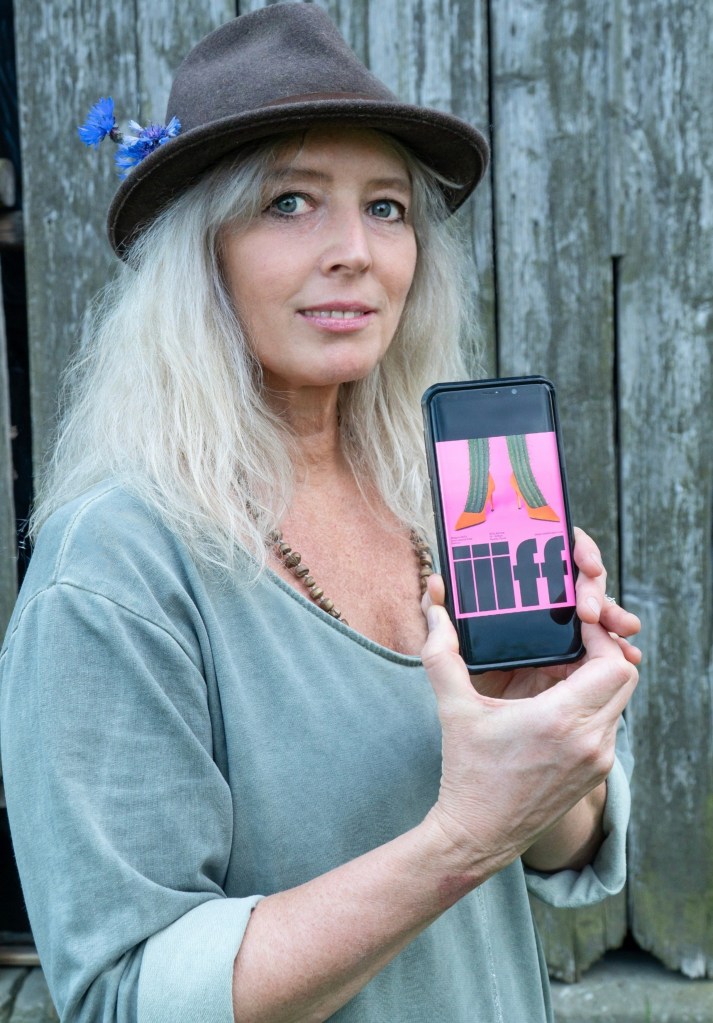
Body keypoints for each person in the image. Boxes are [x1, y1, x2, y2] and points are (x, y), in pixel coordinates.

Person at [0, 5, 640, 1022]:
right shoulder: (116, 566)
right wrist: (458, 838)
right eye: (289, 202)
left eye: (386, 207)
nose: (354, 250)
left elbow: (559, 847)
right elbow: (126, 991)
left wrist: (544, 721)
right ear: (199, 252)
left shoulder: (435, 500)